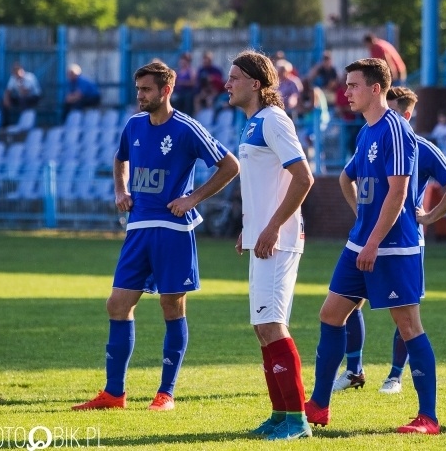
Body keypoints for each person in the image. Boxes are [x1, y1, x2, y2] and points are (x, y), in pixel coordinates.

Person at [72, 61, 240, 412]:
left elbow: (230, 165)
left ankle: (166, 393)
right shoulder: (133, 125)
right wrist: (120, 190)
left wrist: (193, 199)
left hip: (174, 232)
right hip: (137, 230)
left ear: (166, 91)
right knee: (117, 304)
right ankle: (114, 394)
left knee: (171, 306)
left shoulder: (186, 128)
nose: (140, 96)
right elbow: (120, 160)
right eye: (138, 90)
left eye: (146, 90)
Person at [304, 58, 440, 435]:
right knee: (331, 314)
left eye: (353, 85)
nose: (345, 91)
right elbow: (351, 183)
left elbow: (399, 192)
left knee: (409, 326)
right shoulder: (365, 131)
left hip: (392, 248)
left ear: (376, 88)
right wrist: (363, 227)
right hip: (360, 244)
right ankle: (318, 405)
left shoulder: (396, 130)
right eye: (346, 85)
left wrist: (375, 240)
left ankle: (427, 417)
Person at [332, 86, 446, 396]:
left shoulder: (422, 148)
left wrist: (431, 216)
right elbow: (345, 177)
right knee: (348, 303)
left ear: (406, 115)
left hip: (405, 242)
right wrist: (362, 215)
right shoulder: (369, 134)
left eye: (392, 111)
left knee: (405, 312)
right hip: (369, 238)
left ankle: (395, 376)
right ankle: (354, 370)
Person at [226, 50, 315, 440]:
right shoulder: (252, 124)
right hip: (262, 239)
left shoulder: (274, 120)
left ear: (256, 83)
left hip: (278, 241)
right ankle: (280, 415)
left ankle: (297, 421)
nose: (227, 84)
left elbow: (304, 177)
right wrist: (251, 226)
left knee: (272, 325)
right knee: (262, 328)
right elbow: (264, 184)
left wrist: (273, 227)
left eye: (234, 78)